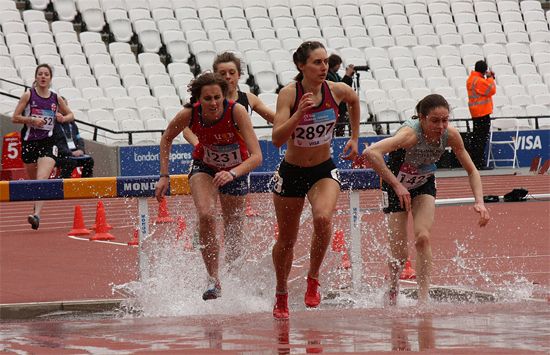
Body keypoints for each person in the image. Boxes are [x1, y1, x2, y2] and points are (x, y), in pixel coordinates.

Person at [361, 94, 490, 306]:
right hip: (396, 187)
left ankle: (423, 298)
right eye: (435, 121)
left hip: (423, 184)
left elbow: (472, 170)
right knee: (399, 253)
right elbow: (370, 152)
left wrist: (480, 202)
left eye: (445, 120)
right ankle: (393, 285)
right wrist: (397, 185)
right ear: (422, 119)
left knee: (423, 237)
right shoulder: (409, 135)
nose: (441, 126)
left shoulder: (450, 136)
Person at [270, 41, 360, 319]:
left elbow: (355, 102)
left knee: (323, 219)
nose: (323, 68)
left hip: (323, 169)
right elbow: (276, 139)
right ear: (301, 66)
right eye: (316, 63)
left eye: (324, 62)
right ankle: (281, 293)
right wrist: (299, 114)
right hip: (292, 171)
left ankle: (313, 278)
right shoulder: (289, 94)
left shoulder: (337, 90)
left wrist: (355, 138)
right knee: (287, 239)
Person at [155, 72, 262, 301]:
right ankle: (213, 278)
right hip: (204, 166)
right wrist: (164, 175)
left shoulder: (236, 111)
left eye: (217, 98)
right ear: (198, 100)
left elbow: (257, 157)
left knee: (233, 227)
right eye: (207, 99)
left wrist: (232, 173)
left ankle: (234, 274)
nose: (213, 103)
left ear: (224, 96)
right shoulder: (189, 114)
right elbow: (166, 138)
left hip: (236, 170)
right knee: (206, 213)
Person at [11, 63, 74, 230]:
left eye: (46, 74)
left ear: (50, 78)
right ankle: (36, 205)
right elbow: (15, 117)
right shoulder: (28, 95)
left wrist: (62, 118)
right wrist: (31, 120)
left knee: (42, 180)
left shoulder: (55, 98)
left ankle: (37, 215)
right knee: (34, 183)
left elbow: (71, 114)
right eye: (40, 74)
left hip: (48, 143)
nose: (43, 77)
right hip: (30, 142)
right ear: (36, 77)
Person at [183, 52, 275, 147]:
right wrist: (199, 146)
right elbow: (186, 129)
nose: (227, 77)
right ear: (216, 76)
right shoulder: (206, 100)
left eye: (232, 73)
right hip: (210, 155)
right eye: (222, 73)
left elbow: (277, 119)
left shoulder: (249, 99)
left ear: (239, 74)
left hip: (242, 156)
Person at [466, 60, 496, 170]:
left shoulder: (472, 79)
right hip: (482, 112)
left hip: (476, 113)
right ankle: (478, 163)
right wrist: (490, 78)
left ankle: (474, 162)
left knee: (476, 138)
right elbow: (491, 90)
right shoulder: (478, 80)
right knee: (481, 139)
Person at [326, 54, 354, 137]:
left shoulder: (336, 76)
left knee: (340, 131)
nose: (339, 67)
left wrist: (348, 77)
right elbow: (340, 90)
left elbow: (344, 87)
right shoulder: (328, 76)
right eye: (338, 65)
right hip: (333, 108)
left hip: (339, 108)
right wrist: (347, 76)